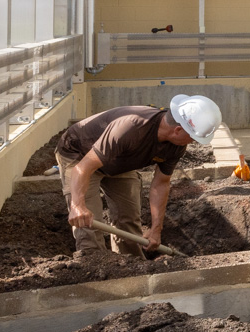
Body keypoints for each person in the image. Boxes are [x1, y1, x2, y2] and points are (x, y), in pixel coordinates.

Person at [57, 95, 222, 256]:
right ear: (178, 130)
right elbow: (83, 168)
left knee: (128, 220)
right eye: (193, 137)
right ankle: (95, 268)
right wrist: (77, 205)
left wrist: (156, 230)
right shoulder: (131, 128)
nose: (193, 142)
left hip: (119, 160)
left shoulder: (176, 146)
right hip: (80, 154)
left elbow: (161, 183)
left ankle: (132, 267)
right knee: (87, 223)